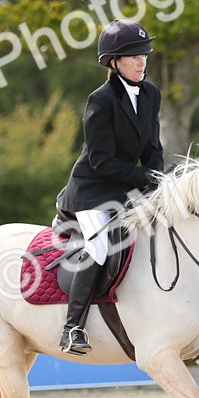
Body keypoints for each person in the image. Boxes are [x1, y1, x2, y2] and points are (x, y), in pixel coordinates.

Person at [55, 19, 164, 354]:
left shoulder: (150, 94)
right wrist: (145, 178)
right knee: (100, 246)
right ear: (114, 63)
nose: (142, 61)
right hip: (93, 191)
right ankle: (72, 327)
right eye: (133, 56)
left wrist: (159, 180)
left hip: (127, 186)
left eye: (144, 54)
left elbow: (152, 149)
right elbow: (102, 161)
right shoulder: (100, 100)